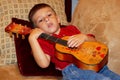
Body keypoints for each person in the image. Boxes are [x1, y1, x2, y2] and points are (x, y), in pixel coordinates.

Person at [28, 3, 120, 80]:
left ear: (58, 19)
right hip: (73, 71)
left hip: (94, 65)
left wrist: (84, 37)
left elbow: (94, 42)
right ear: (38, 29)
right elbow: (44, 64)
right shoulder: (44, 41)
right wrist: (32, 39)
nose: (46, 19)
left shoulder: (71, 29)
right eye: (40, 20)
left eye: (49, 15)